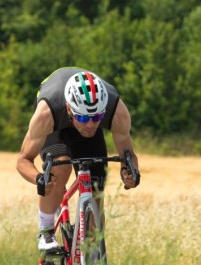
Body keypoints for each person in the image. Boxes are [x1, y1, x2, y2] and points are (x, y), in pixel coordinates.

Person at [16, 67, 140, 251]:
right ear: (69, 109)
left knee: (96, 187)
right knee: (60, 170)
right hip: (57, 125)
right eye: (83, 117)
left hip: (79, 119)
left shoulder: (116, 111)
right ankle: (46, 232)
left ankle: (90, 258)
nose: (90, 124)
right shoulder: (46, 114)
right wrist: (39, 179)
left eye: (96, 117)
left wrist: (130, 174)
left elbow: (128, 156)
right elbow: (23, 160)